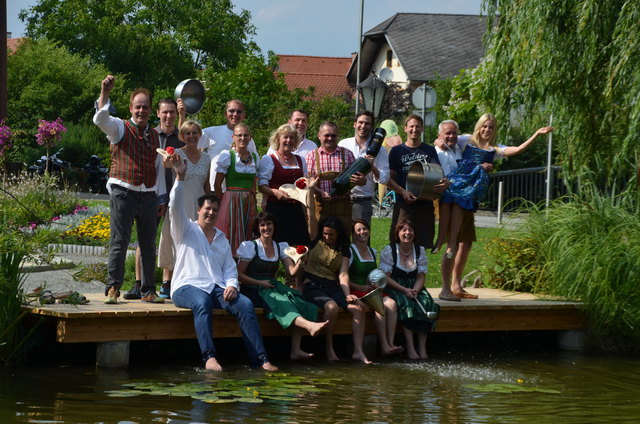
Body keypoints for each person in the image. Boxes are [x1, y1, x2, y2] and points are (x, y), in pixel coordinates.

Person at [166, 153, 277, 372]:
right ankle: (209, 357)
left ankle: (261, 359)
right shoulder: (185, 229)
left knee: (245, 304)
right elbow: (174, 207)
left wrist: (232, 285)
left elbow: (229, 269)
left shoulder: (221, 237)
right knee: (202, 303)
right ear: (199, 210)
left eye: (215, 210)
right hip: (186, 287)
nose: (211, 213)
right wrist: (180, 177)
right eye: (207, 209)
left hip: (216, 287)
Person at [434, 114, 554, 301]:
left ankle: (456, 284)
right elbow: (446, 137)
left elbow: (517, 149)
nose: (487, 130)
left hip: (470, 199)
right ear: (479, 127)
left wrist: (536, 134)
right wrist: (439, 141)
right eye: (484, 126)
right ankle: (446, 286)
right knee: (452, 243)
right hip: (455, 194)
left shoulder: (494, 149)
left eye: (490, 127)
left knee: (466, 242)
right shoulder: (467, 140)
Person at [93, 75, 166, 304]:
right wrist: (104, 93)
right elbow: (100, 120)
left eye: (145, 107)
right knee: (120, 241)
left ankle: (148, 290)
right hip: (123, 191)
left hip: (148, 194)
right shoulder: (119, 127)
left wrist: (159, 195)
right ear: (130, 108)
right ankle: (113, 287)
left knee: (148, 244)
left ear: (150, 110)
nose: (141, 111)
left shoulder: (155, 135)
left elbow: (157, 167)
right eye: (138, 107)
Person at [237, 211, 329, 360]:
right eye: (262, 225)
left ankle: (296, 350)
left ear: (274, 226)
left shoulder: (280, 247)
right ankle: (309, 326)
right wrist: (260, 282)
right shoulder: (250, 246)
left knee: (298, 299)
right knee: (282, 301)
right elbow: (239, 275)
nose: (266, 228)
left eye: (269, 224)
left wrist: (301, 260)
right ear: (258, 228)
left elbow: (292, 273)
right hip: (253, 287)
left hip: (271, 285)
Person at [127, 97, 185, 300]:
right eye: (165, 112)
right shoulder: (150, 136)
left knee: (174, 240)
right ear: (158, 114)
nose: (168, 116)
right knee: (145, 240)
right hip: (152, 194)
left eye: (172, 113)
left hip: (176, 195)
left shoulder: (182, 138)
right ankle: (138, 283)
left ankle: (168, 283)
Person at [301, 206, 372, 364]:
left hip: (332, 286)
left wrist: (347, 295)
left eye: (331, 235)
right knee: (331, 307)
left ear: (338, 234)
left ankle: (358, 351)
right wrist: (310, 190)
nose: (327, 237)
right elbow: (311, 215)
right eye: (325, 233)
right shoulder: (315, 240)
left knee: (358, 308)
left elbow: (343, 274)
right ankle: (329, 348)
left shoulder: (344, 249)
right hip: (312, 284)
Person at [386, 114, 449, 249]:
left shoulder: (429, 150)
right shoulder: (397, 151)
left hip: (425, 203)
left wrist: (443, 182)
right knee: (399, 240)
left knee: (422, 243)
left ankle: (419, 269)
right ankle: (399, 269)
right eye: (411, 126)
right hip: (404, 203)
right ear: (405, 129)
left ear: (422, 129)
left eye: (418, 126)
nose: (414, 129)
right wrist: (402, 192)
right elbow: (388, 178)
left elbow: (438, 173)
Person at [380, 219, 439, 360]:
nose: (407, 233)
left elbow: (421, 276)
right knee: (407, 304)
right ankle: (410, 347)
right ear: (398, 233)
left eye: (410, 230)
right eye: (404, 230)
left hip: (414, 286)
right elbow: (386, 277)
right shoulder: (390, 250)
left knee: (427, 303)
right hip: (395, 285)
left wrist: (416, 290)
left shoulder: (419, 251)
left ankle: (422, 347)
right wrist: (405, 290)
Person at [348, 220, 403, 356]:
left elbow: (373, 274)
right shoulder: (350, 251)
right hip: (356, 290)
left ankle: (391, 343)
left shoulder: (372, 251)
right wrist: (360, 286)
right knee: (380, 306)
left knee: (392, 304)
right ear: (354, 235)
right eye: (358, 230)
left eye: (365, 229)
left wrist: (377, 282)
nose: (362, 232)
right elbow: (342, 278)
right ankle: (384, 346)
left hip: (372, 290)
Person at [306, 121, 365, 235]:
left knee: (343, 239)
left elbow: (358, 179)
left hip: (343, 205)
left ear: (338, 136)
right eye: (326, 135)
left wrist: (362, 181)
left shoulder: (347, 154)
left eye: (333, 135)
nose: (330, 138)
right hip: (320, 205)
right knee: (318, 240)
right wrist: (320, 192)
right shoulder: (311, 156)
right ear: (319, 136)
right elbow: (308, 182)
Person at [258, 124, 310, 246]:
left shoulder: (300, 159)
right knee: (279, 243)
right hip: (276, 208)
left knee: (299, 243)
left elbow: (305, 182)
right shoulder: (269, 159)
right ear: (278, 139)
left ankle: (298, 265)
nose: (288, 141)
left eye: (292, 138)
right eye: (285, 137)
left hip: (296, 208)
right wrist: (275, 192)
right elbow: (261, 185)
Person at [214, 123, 260, 257]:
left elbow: (253, 183)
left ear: (250, 138)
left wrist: (254, 202)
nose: (243, 138)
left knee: (248, 231)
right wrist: (224, 202)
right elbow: (217, 184)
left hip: (249, 201)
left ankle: (244, 267)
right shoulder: (228, 156)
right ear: (233, 137)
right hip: (231, 199)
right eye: (239, 135)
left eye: (246, 135)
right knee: (231, 233)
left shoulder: (255, 157)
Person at [338, 111, 390, 224]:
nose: (363, 126)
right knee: (341, 239)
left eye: (367, 124)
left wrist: (371, 166)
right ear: (354, 124)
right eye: (360, 122)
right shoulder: (343, 144)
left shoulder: (380, 150)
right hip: (341, 200)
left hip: (362, 201)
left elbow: (385, 178)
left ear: (372, 127)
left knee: (361, 238)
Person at [377, 119, 403, 205]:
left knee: (382, 184)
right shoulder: (398, 138)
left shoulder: (381, 139)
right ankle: (383, 201)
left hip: (383, 167)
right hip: (395, 168)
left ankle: (381, 201)